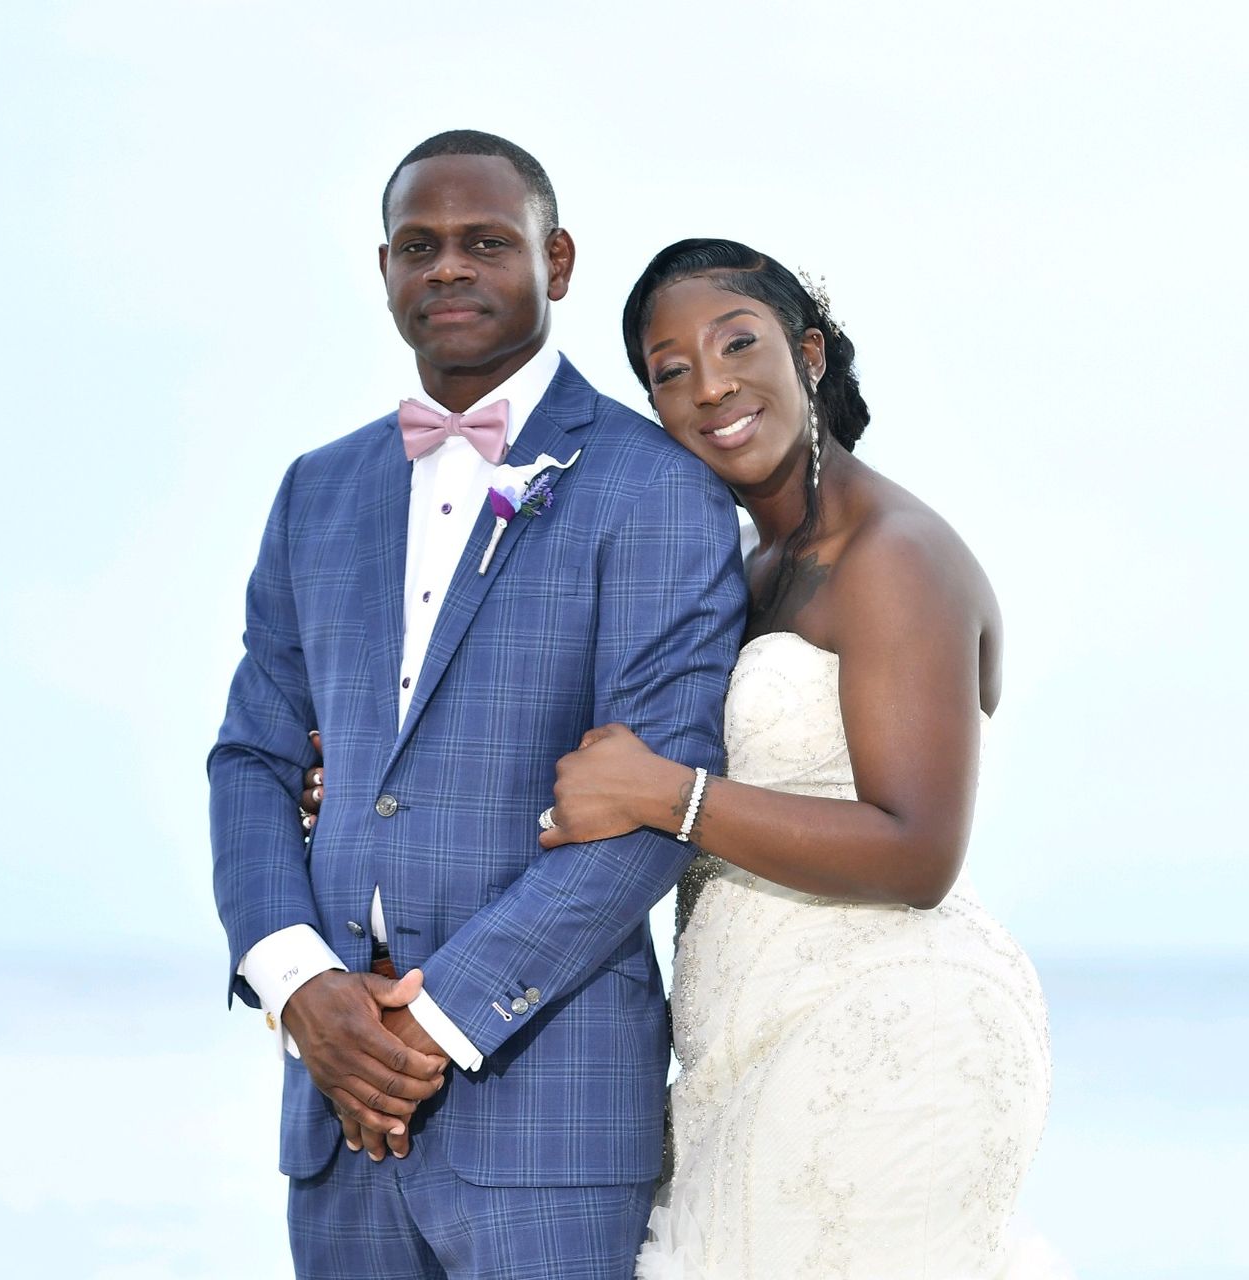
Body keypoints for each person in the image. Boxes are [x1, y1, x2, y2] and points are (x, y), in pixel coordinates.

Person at [304, 239, 1053, 1277]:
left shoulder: (896, 558)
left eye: (737, 343)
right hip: (743, 1041)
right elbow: (593, 771)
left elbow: (918, 848)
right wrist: (368, 786)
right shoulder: (756, 570)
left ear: (811, 354)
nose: (710, 385)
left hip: (885, 1026)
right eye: (669, 371)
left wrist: (675, 797)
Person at [208, 133, 746, 1280]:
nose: (447, 267)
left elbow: (657, 799)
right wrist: (302, 985)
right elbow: (252, 756)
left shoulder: (659, 489)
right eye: (419, 246)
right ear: (387, 271)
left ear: (555, 262)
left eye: (484, 242)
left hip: (546, 1112)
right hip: (336, 1110)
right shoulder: (317, 490)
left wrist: (423, 1024)